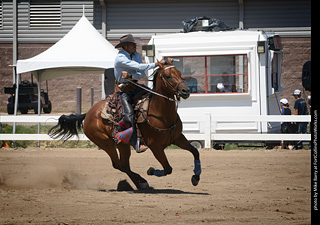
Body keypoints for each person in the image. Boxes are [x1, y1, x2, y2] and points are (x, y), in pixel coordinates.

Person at [114, 34, 164, 153]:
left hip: (134, 86)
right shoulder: (120, 58)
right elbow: (139, 67)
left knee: (154, 96)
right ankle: (135, 143)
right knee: (129, 114)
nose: (135, 46)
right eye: (132, 44)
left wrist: (131, 76)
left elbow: (141, 74)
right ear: (125, 46)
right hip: (122, 90)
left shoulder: (136, 55)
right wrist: (156, 64)